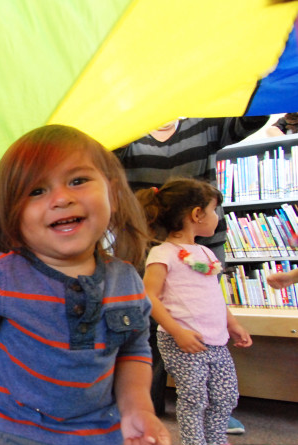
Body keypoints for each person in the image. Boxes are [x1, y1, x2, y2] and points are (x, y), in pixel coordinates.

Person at [0, 124, 170, 445]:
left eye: (78, 180)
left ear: (111, 189)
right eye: (37, 191)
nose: (61, 199)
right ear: (11, 213)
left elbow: (132, 350)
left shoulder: (126, 280)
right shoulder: (3, 277)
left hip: (108, 441)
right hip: (22, 442)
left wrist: (138, 408)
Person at [114, 116, 267, 427]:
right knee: (147, 324)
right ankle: (146, 403)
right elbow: (106, 155)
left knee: (205, 313)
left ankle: (215, 410)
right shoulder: (129, 135)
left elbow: (250, 117)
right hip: (148, 245)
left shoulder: (205, 125)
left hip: (203, 246)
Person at [136, 178, 259, 445]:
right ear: (196, 215)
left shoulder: (205, 254)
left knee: (226, 394)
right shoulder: (163, 253)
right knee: (194, 397)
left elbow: (214, 296)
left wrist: (233, 324)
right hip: (181, 341)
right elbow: (148, 295)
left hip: (215, 340)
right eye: (214, 210)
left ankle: (216, 442)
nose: (218, 217)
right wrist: (177, 331)